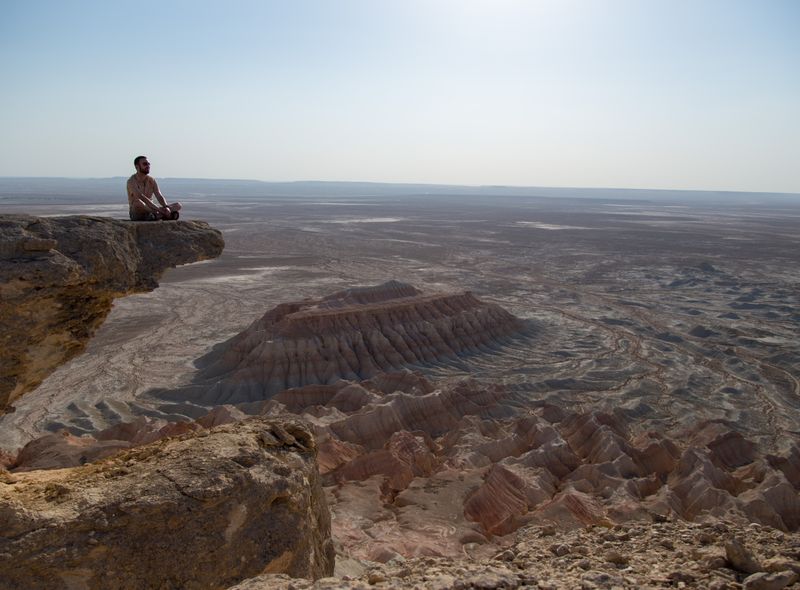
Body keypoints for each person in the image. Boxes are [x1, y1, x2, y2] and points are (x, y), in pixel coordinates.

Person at [127, 156, 182, 221]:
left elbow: (159, 195)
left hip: (152, 209)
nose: (148, 166)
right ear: (137, 167)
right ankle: (161, 215)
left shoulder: (151, 180)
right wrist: (159, 210)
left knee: (178, 205)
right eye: (145, 164)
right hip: (138, 212)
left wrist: (166, 207)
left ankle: (157, 216)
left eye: (148, 164)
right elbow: (142, 197)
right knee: (137, 202)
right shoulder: (131, 181)